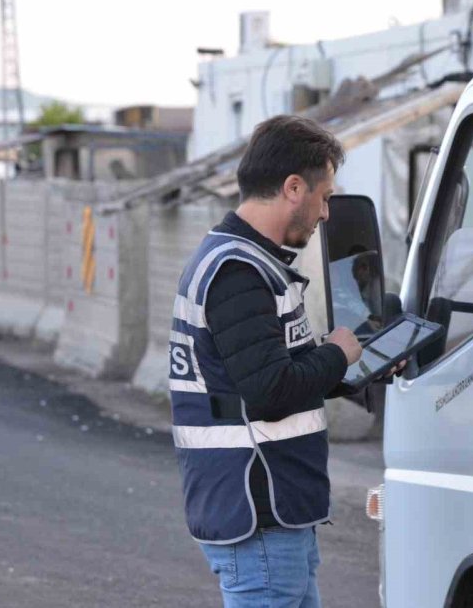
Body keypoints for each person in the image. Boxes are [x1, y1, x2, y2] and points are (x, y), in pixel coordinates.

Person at [170, 115, 366, 608]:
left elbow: (271, 370)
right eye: (325, 197)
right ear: (293, 187)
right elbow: (270, 391)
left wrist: (353, 368)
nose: (326, 213)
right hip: (258, 515)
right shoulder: (237, 271)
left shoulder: (253, 263)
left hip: (276, 513)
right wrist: (338, 354)